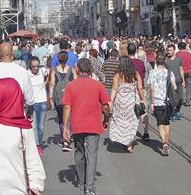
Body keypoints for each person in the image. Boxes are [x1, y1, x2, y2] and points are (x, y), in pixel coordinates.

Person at [61, 58, 110, 195]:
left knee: (79, 152)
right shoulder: (98, 85)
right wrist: (106, 119)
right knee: (92, 155)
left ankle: (82, 180)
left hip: (77, 124)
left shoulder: (71, 86)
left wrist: (65, 127)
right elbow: (106, 106)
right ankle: (89, 188)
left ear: (78, 70)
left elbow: (67, 107)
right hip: (93, 124)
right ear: (90, 70)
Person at [108, 56, 146, 153]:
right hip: (132, 101)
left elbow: (115, 88)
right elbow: (140, 88)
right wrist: (143, 99)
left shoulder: (118, 75)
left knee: (120, 121)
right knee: (131, 122)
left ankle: (121, 138)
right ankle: (129, 144)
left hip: (121, 101)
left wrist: (111, 101)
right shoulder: (135, 73)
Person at [147, 54, 177, 156]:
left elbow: (151, 88)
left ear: (156, 61)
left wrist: (151, 102)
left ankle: (163, 142)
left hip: (157, 101)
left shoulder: (152, 73)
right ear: (164, 62)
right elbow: (175, 87)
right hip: (167, 101)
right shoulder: (169, 73)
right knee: (167, 123)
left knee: (160, 123)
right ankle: (166, 142)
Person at [48, 50, 76, 152]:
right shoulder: (72, 70)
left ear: (58, 59)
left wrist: (50, 98)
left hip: (59, 99)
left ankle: (64, 140)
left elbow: (51, 85)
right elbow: (76, 83)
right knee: (69, 118)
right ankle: (68, 137)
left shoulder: (54, 70)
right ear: (67, 59)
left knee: (61, 119)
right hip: (70, 98)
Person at [27, 56, 49, 155]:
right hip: (32, 103)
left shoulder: (43, 71)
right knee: (34, 126)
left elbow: (49, 73)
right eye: (33, 67)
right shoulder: (27, 74)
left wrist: (46, 82)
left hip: (43, 102)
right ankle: (36, 145)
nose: (36, 68)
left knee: (41, 126)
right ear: (30, 67)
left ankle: (38, 143)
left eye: (37, 66)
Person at [164, 44, 185, 121]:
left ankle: (177, 111)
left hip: (178, 81)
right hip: (169, 83)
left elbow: (181, 69)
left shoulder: (178, 59)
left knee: (180, 98)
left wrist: (183, 81)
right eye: (168, 50)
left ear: (174, 51)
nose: (169, 52)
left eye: (170, 50)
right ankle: (172, 113)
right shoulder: (165, 60)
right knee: (171, 99)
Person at [175, 43, 191, 107]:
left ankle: (181, 99)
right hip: (188, 71)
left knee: (180, 86)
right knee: (188, 86)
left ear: (179, 47)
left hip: (180, 71)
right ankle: (188, 101)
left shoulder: (177, 54)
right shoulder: (189, 54)